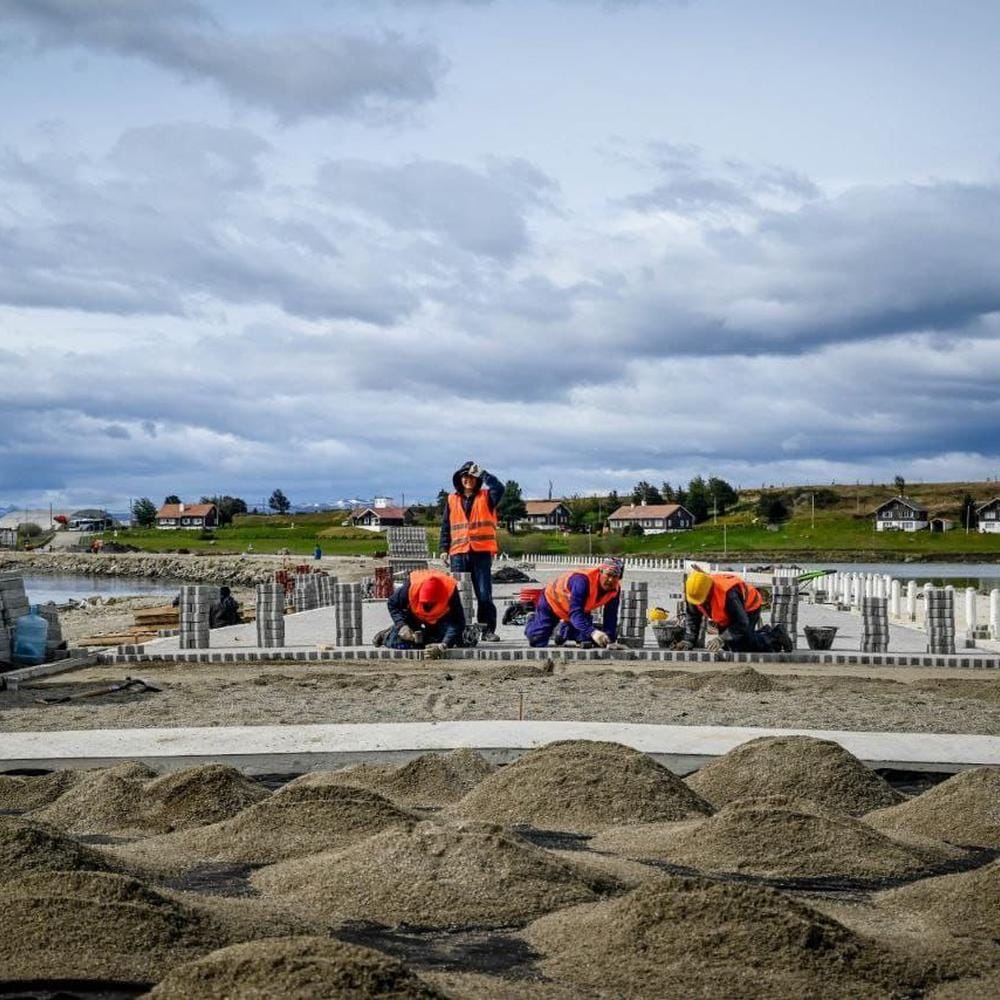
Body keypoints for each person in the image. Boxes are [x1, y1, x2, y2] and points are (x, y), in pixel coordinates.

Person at [440, 460, 505, 641]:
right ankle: (459, 629)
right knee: (458, 595)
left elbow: (500, 488)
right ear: (460, 480)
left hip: (481, 553)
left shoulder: (487, 497)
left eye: (471, 477)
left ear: (476, 479)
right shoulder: (452, 500)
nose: (468, 480)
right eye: (465, 477)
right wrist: (443, 549)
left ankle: (487, 630)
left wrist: (484, 474)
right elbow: (446, 526)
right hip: (458, 553)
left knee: (484, 594)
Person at [676, 570, 790, 653]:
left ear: (709, 591)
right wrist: (688, 641)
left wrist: (721, 638)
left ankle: (776, 635)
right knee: (728, 646)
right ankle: (763, 632)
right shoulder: (695, 593)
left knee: (741, 647)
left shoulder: (728, 594)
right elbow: (692, 617)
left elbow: (741, 622)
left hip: (749, 607)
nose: (699, 603)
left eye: (703, 600)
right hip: (727, 615)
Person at [525, 557, 624, 648]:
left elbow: (611, 615)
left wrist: (610, 640)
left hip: (576, 609)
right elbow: (575, 613)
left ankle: (563, 631)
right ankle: (532, 620)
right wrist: (593, 632)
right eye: (608, 575)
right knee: (537, 641)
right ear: (601, 572)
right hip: (551, 602)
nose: (610, 580)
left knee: (587, 640)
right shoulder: (582, 581)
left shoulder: (615, 589)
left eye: (615, 576)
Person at [374, 569, 466, 651]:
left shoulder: (450, 592)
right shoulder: (409, 588)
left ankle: (431, 638)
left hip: (440, 620)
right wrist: (401, 625)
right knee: (399, 643)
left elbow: (458, 622)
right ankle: (386, 635)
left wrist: (443, 645)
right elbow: (392, 604)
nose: (428, 606)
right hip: (414, 615)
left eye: (431, 604)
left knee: (452, 639)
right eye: (425, 603)